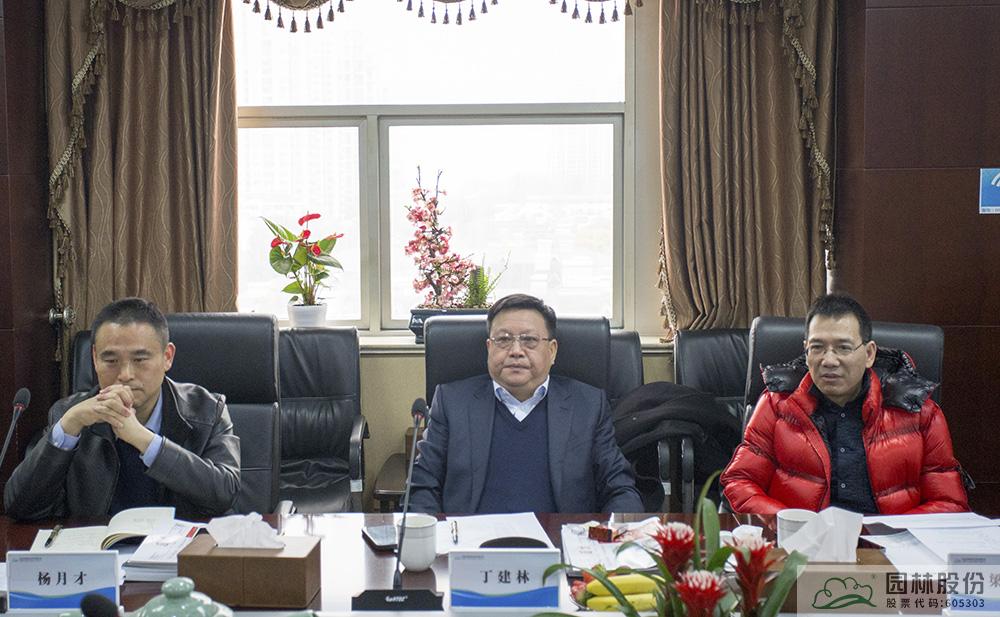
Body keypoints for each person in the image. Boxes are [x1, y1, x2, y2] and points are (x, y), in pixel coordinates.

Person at [721, 293, 968, 515]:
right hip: (801, 543)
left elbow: (949, 502)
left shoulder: (920, 412)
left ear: (869, 354)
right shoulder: (776, 405)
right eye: (817, 348)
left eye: (843, 348)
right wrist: (786, 522)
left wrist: (894, 535)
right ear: (806, 351)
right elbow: (739, 482)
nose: (829, 360)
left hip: (888, 546)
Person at [4, 298, 241, 520]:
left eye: (140, 360)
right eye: (111, 360)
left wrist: (143, 439)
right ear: (95, 358)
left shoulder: (207, 410)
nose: (125, 375)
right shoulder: (69, 414)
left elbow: (224, 494)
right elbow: (19, 507)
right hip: (98, 547)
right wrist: (68, 426)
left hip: (180, 548)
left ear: (167, 357)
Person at [409, 293, 643, 514]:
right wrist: (430, 537)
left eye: (529, 340)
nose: (516, 351)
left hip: (561, 539)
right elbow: (422, 486)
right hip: (471, 539)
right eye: (503, 340)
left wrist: (618, 535)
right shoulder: (452, 402)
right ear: (489, 348)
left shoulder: (588, 405)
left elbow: (619, 487)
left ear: (552, 351)